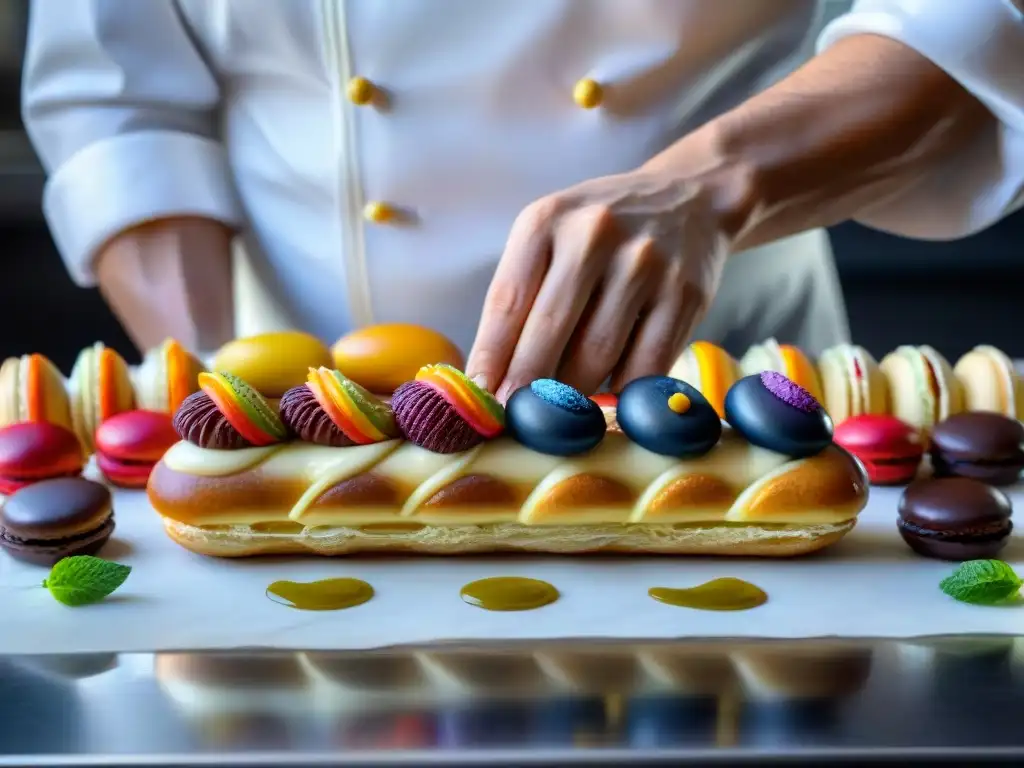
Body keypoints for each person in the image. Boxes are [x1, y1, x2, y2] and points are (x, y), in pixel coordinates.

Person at [22, 1, 1024, 401]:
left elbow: (973, 17)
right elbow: (120, 102)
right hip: (312, 389)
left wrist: (711, 187)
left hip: (725, 376)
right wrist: (221, 403)